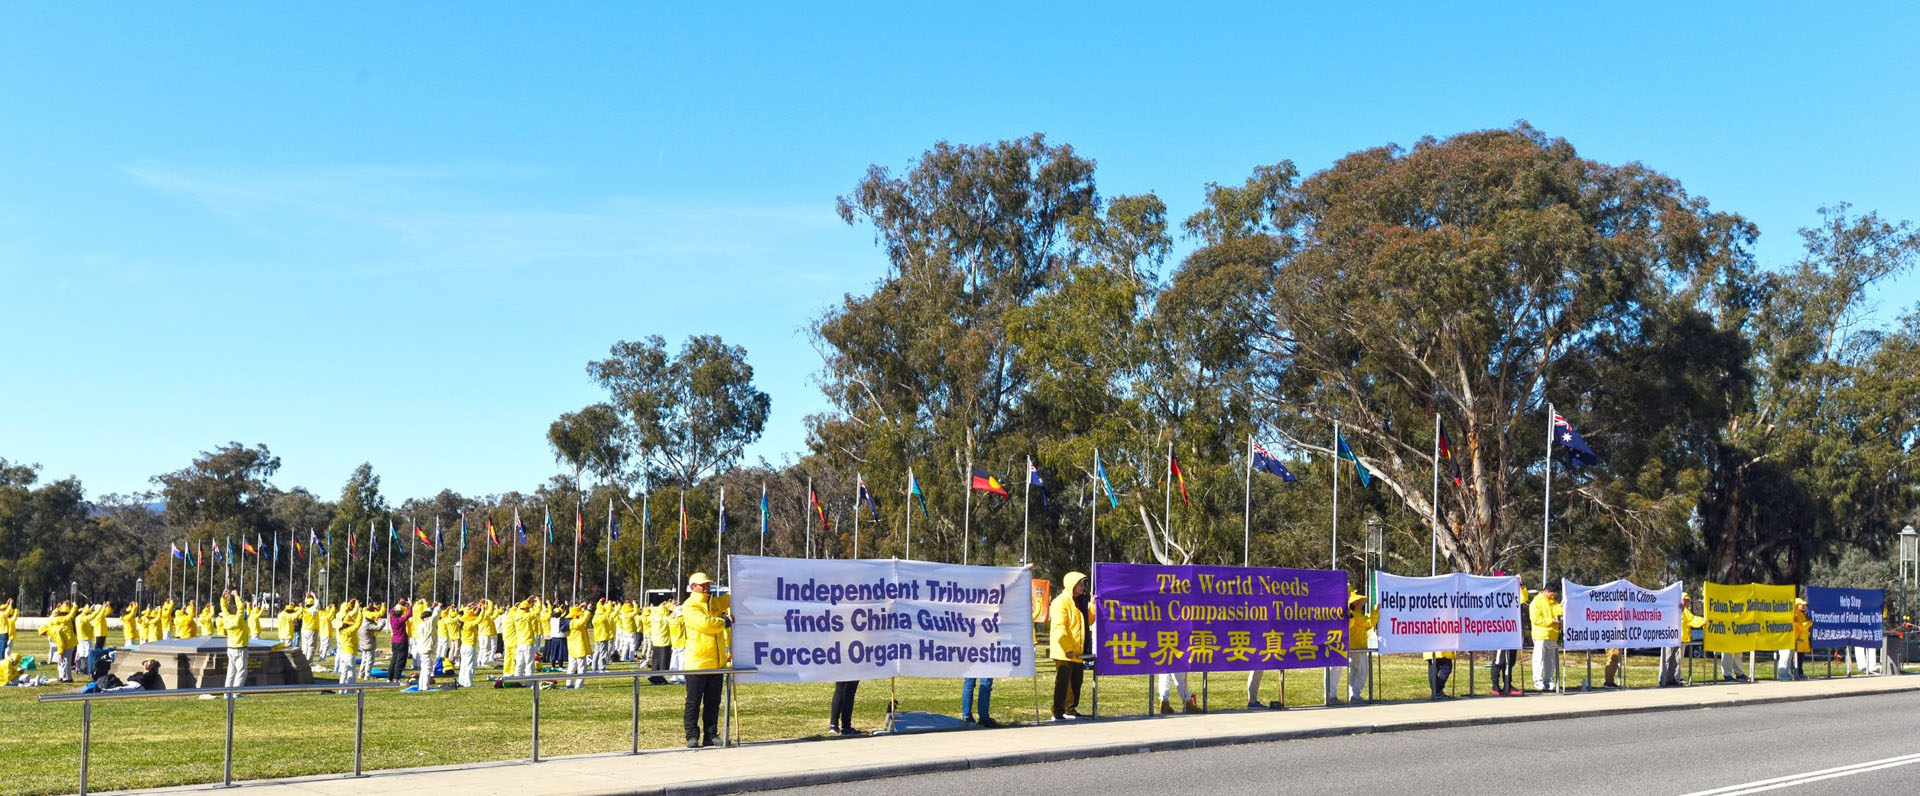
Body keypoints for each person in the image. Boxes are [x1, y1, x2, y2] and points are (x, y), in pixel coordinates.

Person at [681, 572, 732, 748]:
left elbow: (729, 599)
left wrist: (741, 584)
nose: (706, 587)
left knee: (713, 702)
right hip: (698, 662)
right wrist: (724, 622)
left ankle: (711, 734)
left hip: (717, 663)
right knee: (693, 702)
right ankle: (692, 735)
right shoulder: (690, 605)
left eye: (707, 584)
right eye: (702, 585)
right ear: (692, 587)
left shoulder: (714, 602)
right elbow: (706, 624)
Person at [1049, 571, 1089, 721]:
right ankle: (1058, 712)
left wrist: (1093, 606)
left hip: (1078, 650)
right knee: (1063, 683)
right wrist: (1067, 648)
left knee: (1076, 683)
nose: (1082, 586)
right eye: (1079, 584)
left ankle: (1070, 710)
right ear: (1071, 585)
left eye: (1083, 583)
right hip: (1064, 651)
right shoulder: (1061, 602)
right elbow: (1059, 627)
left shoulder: (1080, 601)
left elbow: (1088, 620)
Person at [1330, 591, 1376, 703]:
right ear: (1354, 603)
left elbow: (1366, 627)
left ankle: (1353, 695)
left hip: (1355, 647)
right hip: (1357, 648)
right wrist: (1376, 611)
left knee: (1355, 671)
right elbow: (1370, 622)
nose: (1362, 603)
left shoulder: (1355, 614)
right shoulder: (1356, 615)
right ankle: (1355, 695)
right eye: (1359, 601)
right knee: (1361, 672)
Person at [1660, 596, 1707, 687]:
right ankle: (1663, 680)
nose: (1686, 602)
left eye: (1687, 601)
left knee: (1677, 661)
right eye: (1684, 600)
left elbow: (1692, 620)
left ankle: (1673, 679)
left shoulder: (1685, 611)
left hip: (1680, 640)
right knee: (1666, 660)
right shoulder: (1672, 608)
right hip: (1669, 638)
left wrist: (1702, 621)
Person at [1528, 585, 1562, 692]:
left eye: (1555, 594)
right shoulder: (1536, 602)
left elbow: (1561, 612)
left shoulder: (1554, 603)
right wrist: (1551, 621)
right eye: (1552, 594)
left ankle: (1549, 680)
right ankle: (1538, 680)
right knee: (1539, 659)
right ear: (1546, 591)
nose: (1553, 596)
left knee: (1551, 660)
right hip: (1540, 636)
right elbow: (1536, 619)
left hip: (1553, 635)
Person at [217, 591, 252, 688]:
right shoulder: (239, 620)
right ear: (235, 611)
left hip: (230, 648)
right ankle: (236, 692)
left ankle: (227, 692)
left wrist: (223, 597)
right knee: (241, 671)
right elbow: (241, 608)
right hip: (240, 648)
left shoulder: (226, 618)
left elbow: (223, 607)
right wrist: (236, 596)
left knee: (231, 672)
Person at [565, 603, 593, 688]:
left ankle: (569, 684)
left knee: (571, 667)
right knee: (582, 668)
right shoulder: (575, 623)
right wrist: (588, 610)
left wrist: (581, 609)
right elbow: (583, 620)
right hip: (579, 648)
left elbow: (582, 618)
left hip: (572, 648)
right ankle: (579, 685)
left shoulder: (570, 621)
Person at [386, 601, 412, 682]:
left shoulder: (392, 618)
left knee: (394, 660)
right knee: (400, 661)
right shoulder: (400, 620)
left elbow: (391, 610)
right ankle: (396, 678)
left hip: (394, 641)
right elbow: (409, 615)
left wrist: (398, 603)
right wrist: (410, 605)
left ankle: (389, 678)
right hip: (402, 641)